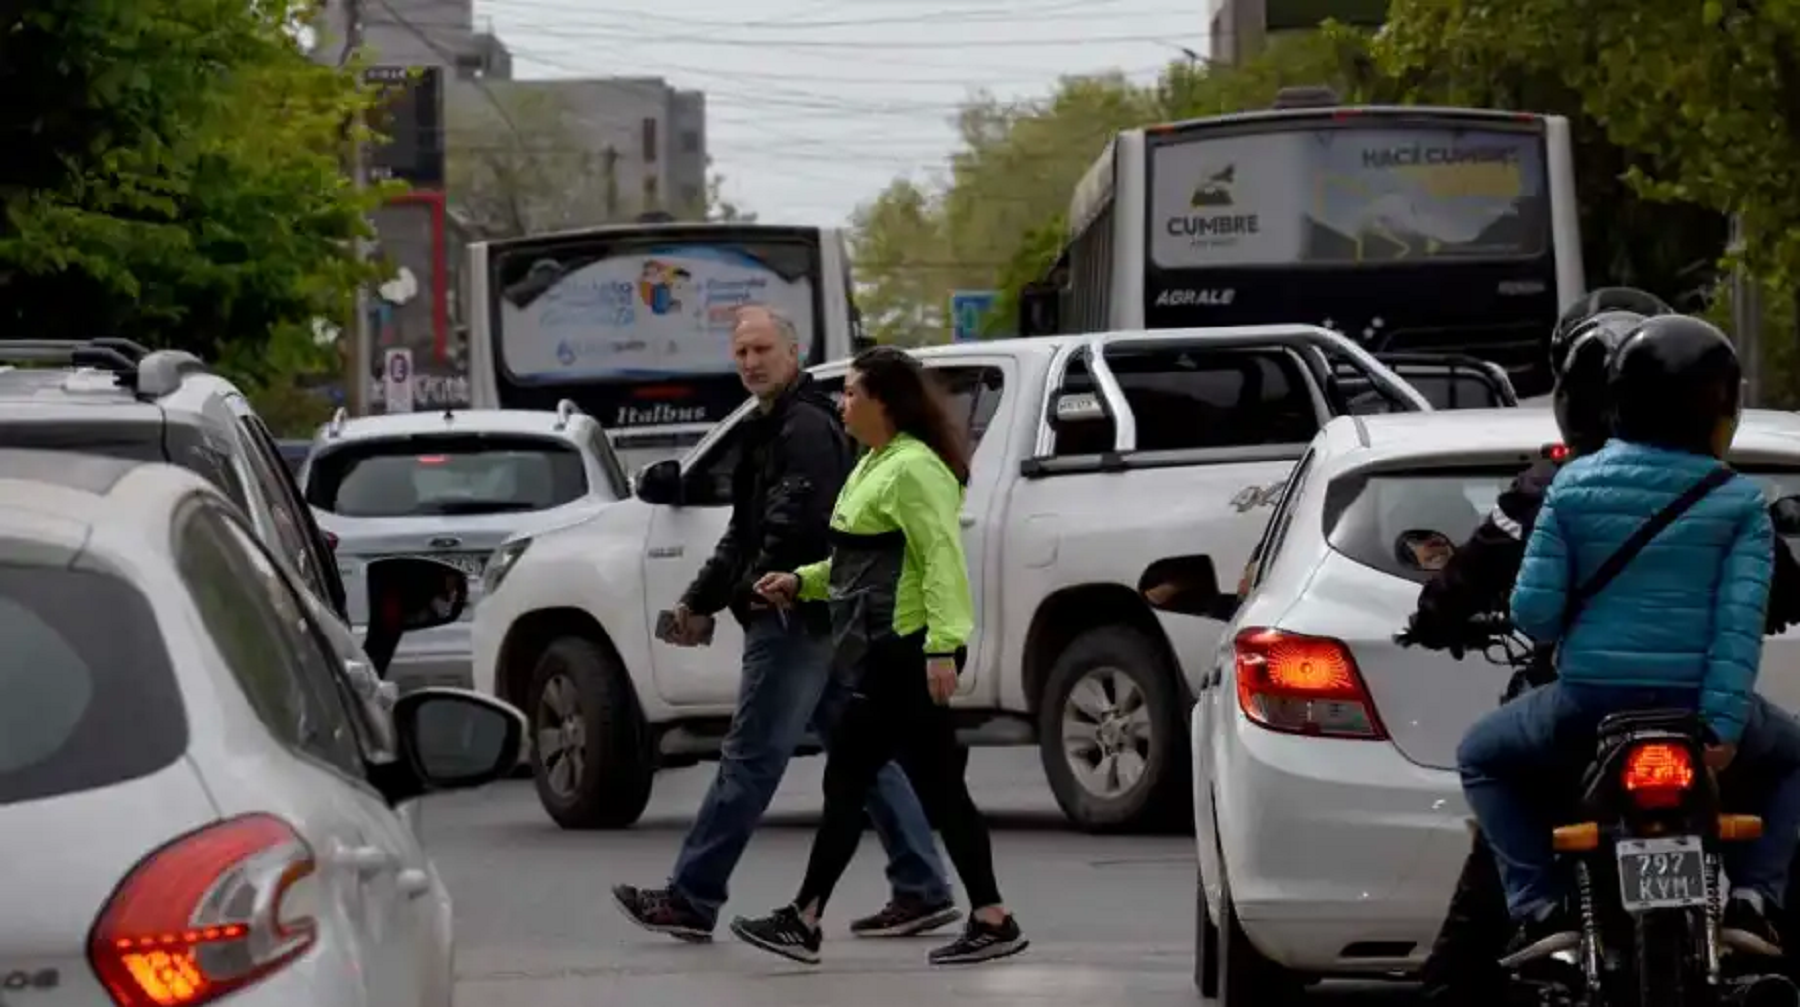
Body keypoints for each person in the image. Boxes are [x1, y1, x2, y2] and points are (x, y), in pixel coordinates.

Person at [1406, 310, 1800, 1002]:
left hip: (1588, 703)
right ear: (1720, 409)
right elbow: (1740, 627)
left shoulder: (1568, 485)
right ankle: (1752, 904)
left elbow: (1532, 611)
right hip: (1694, 712)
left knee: (1483, 755)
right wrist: (1722, 730)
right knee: (1795, 757)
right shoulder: (1739, 500)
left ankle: (1540, 909)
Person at [612, 307, 959, 943]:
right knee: (863, 756)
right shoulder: (770, 425)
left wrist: (743, 595)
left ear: (793, 354)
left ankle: (692, 897)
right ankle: (923, 886)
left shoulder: (803, 427)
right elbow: (743, 533)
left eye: (762, 349)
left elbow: (793, 534)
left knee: (749, 760)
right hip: (813, 614)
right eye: (741, 351)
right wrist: (699, 602)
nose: (750, 361)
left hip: (796, 616)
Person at [730, 345, 1028, 967]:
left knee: (852, 779)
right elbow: (853, 565)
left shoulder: (914, 469)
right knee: (939, 788)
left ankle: (805, 918)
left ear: (884, 403)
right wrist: (800, 581)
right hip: (878, 648)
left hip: (907, 647)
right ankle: (991, 917)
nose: (842, 403)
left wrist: (943, 647)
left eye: (852, 393)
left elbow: (940, 558)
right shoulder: (875, 464)